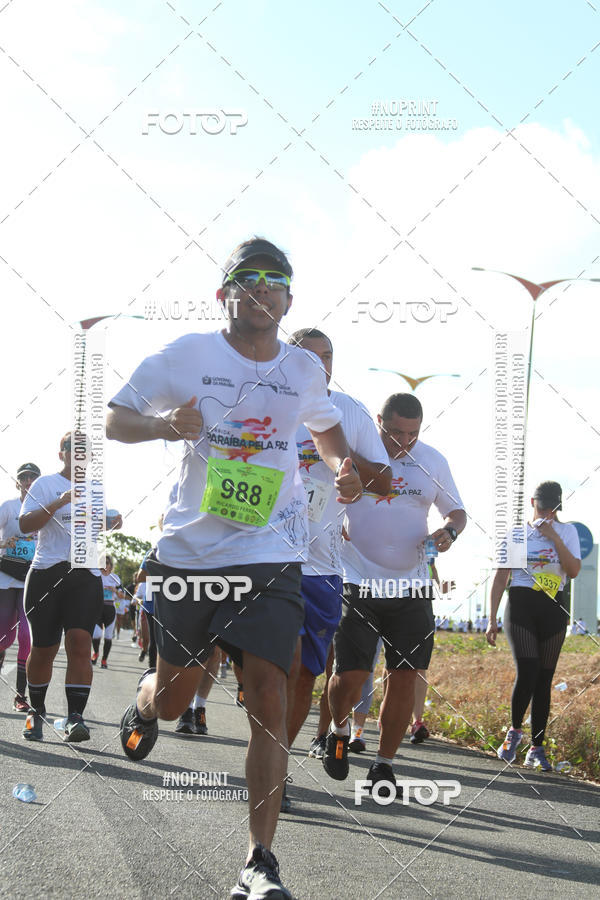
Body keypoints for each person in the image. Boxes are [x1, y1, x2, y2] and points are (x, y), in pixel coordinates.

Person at [106, 236, 362, 899]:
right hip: (192, 552)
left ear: (289, 297)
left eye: (273, 280)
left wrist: (341, 466)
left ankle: (259, 861)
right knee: (170, 696)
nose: (260, 290)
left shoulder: (304, 369)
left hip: (273, 553)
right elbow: (115, 420)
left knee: (270, 695)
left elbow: (325, 427)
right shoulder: (190, 355)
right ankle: (144, 697)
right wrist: (168, 426)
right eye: (245, 280)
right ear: (225, 293)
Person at [324, 392, 466, 794]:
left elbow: (457, 511)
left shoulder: (433, 460)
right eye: (397, 433)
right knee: (350, 676)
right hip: (357, 579)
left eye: (413, 434)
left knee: (404, 677)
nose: (405, 442)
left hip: (413, 585)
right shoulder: (354, 454)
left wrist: (449, 532)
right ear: (379, 422)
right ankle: (337, 730)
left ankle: (384, 764)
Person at [284, 328, 391, 808]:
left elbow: (385, 480)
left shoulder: (349, 411)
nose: (318, 365)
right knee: (271, 675)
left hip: (322, 568)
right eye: (307, 357)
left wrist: (351, 469)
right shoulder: (264, 403)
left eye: (326, 357)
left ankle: (274, 770)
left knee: (302, 678)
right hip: (265, 559)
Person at [489, 481, 581, 771]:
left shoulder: (567, 531)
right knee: (528, 669)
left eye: (554, 509)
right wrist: (491, 619)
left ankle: (537, 748)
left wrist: (554, 537)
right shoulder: (517, 534)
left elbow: (574, 571)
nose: (548, 514)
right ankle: (514, 732)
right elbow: (501, 577)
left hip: (554, 605)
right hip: (522, 603)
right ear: (532, 502)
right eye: (544, 508)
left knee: (544, 678)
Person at [19, 433, 104, 742]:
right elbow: (26, 525)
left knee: (81, 644)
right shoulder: (44, 484)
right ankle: (36, 711)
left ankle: (75, 718)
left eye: (86, 450)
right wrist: (59, 502)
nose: (80, 453)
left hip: (84, 576)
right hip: (46, 575)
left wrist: (112, 521)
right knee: (44, 649)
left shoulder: (96, 488)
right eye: (73, 448)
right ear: (62, 453)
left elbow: (95, 532)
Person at [0, 463, 40, 710]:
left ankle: (20, 696)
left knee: (27, 637)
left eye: (32, 478)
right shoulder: (8, 507)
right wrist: (5, 543)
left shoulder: (46, 510)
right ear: (18, 482)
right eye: (23, 477)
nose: (27, 481)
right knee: (4, 638)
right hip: (6, 578)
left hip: (31, 580)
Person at [92, 554, 122, 668]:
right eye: (103, 563)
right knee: (97, 634)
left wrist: (114, 589)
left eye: (107, 563)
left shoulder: (115, 578)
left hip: (110, 608)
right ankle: (95, 652)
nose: (105, 565)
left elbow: (122, 595)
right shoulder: (95, 574)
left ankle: (104, 660)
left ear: (111, 565)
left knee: (108, 636)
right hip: (97, 607)